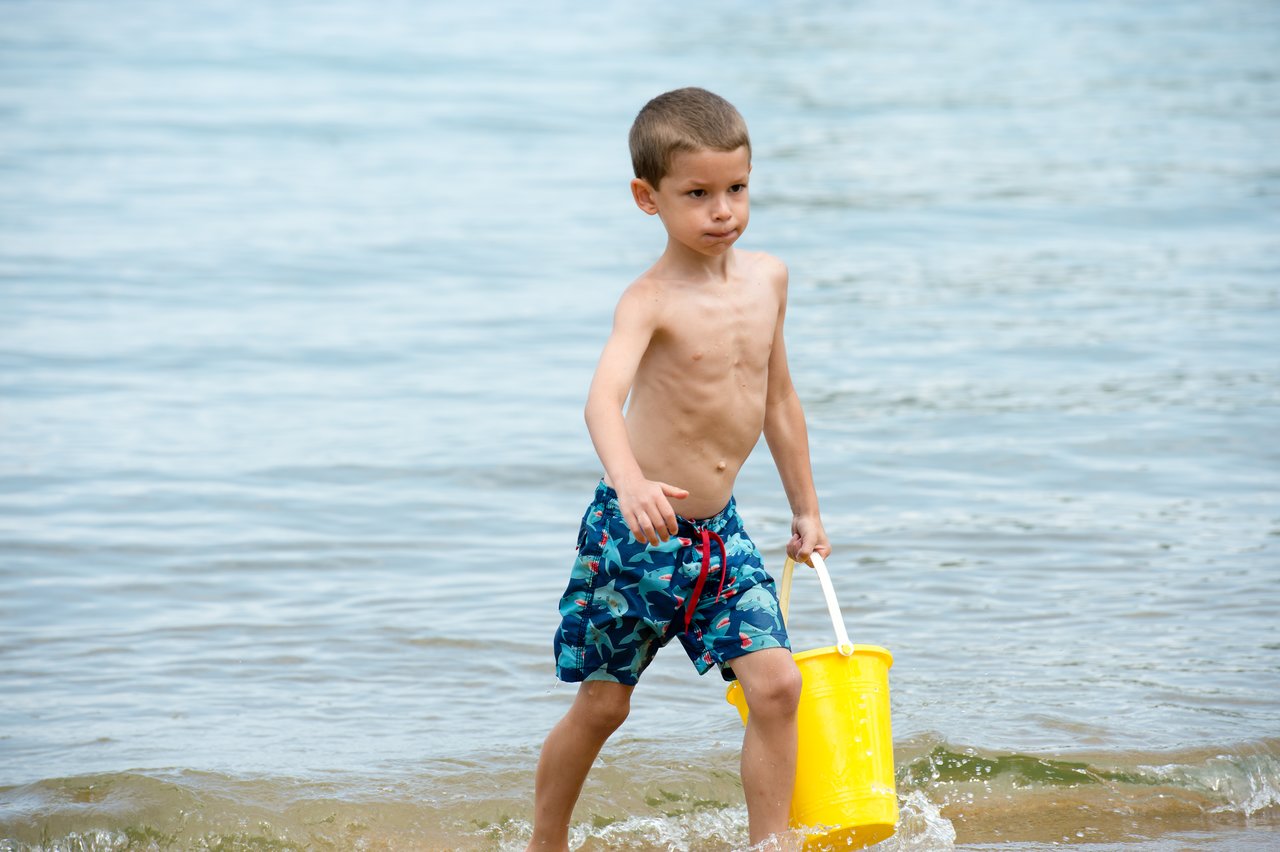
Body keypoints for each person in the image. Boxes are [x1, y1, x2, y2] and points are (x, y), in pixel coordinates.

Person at [527, 87, 830, 851]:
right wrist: (628, 482)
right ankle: (545, 841)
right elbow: (601, 401)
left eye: (736, 188)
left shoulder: (769, 280)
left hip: (721, 538)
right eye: (697, 194)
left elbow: (781, 400)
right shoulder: (649, 300)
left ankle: (772, 843)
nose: (722, 210)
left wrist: (807, 508)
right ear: (647, 198)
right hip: (635, 534)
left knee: (778, 685)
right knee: (604, 706)